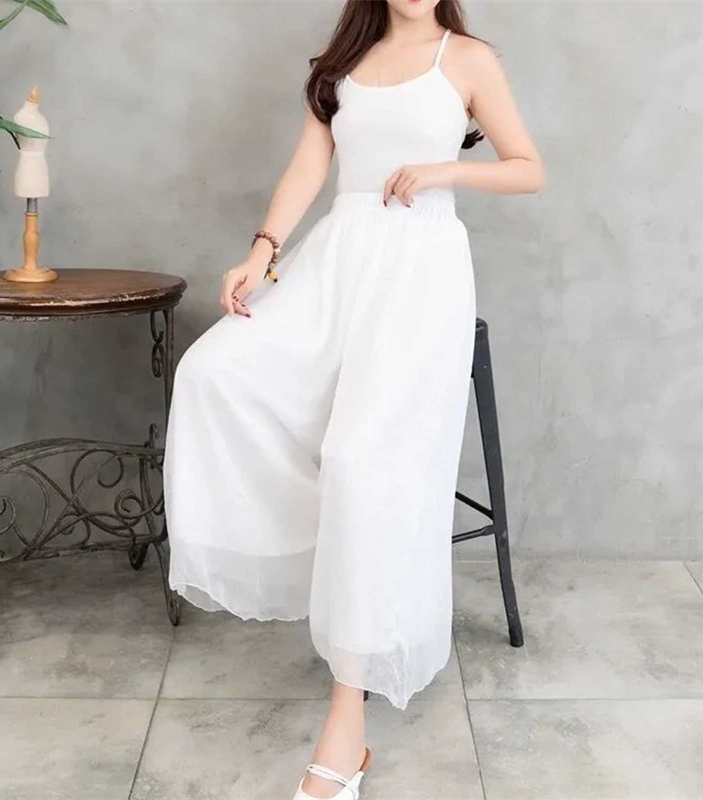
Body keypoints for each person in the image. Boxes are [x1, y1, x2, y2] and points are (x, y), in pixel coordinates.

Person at [163, 0, 543, 797]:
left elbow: (527, 168)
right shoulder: (342, 65)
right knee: (212, 373)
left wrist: (442, 171)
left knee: (359, 462)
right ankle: (336, 564)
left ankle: (347, 724)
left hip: (421, 272)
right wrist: (261, 253)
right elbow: (310, 166)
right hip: (337, 262)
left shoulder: (466, 58)